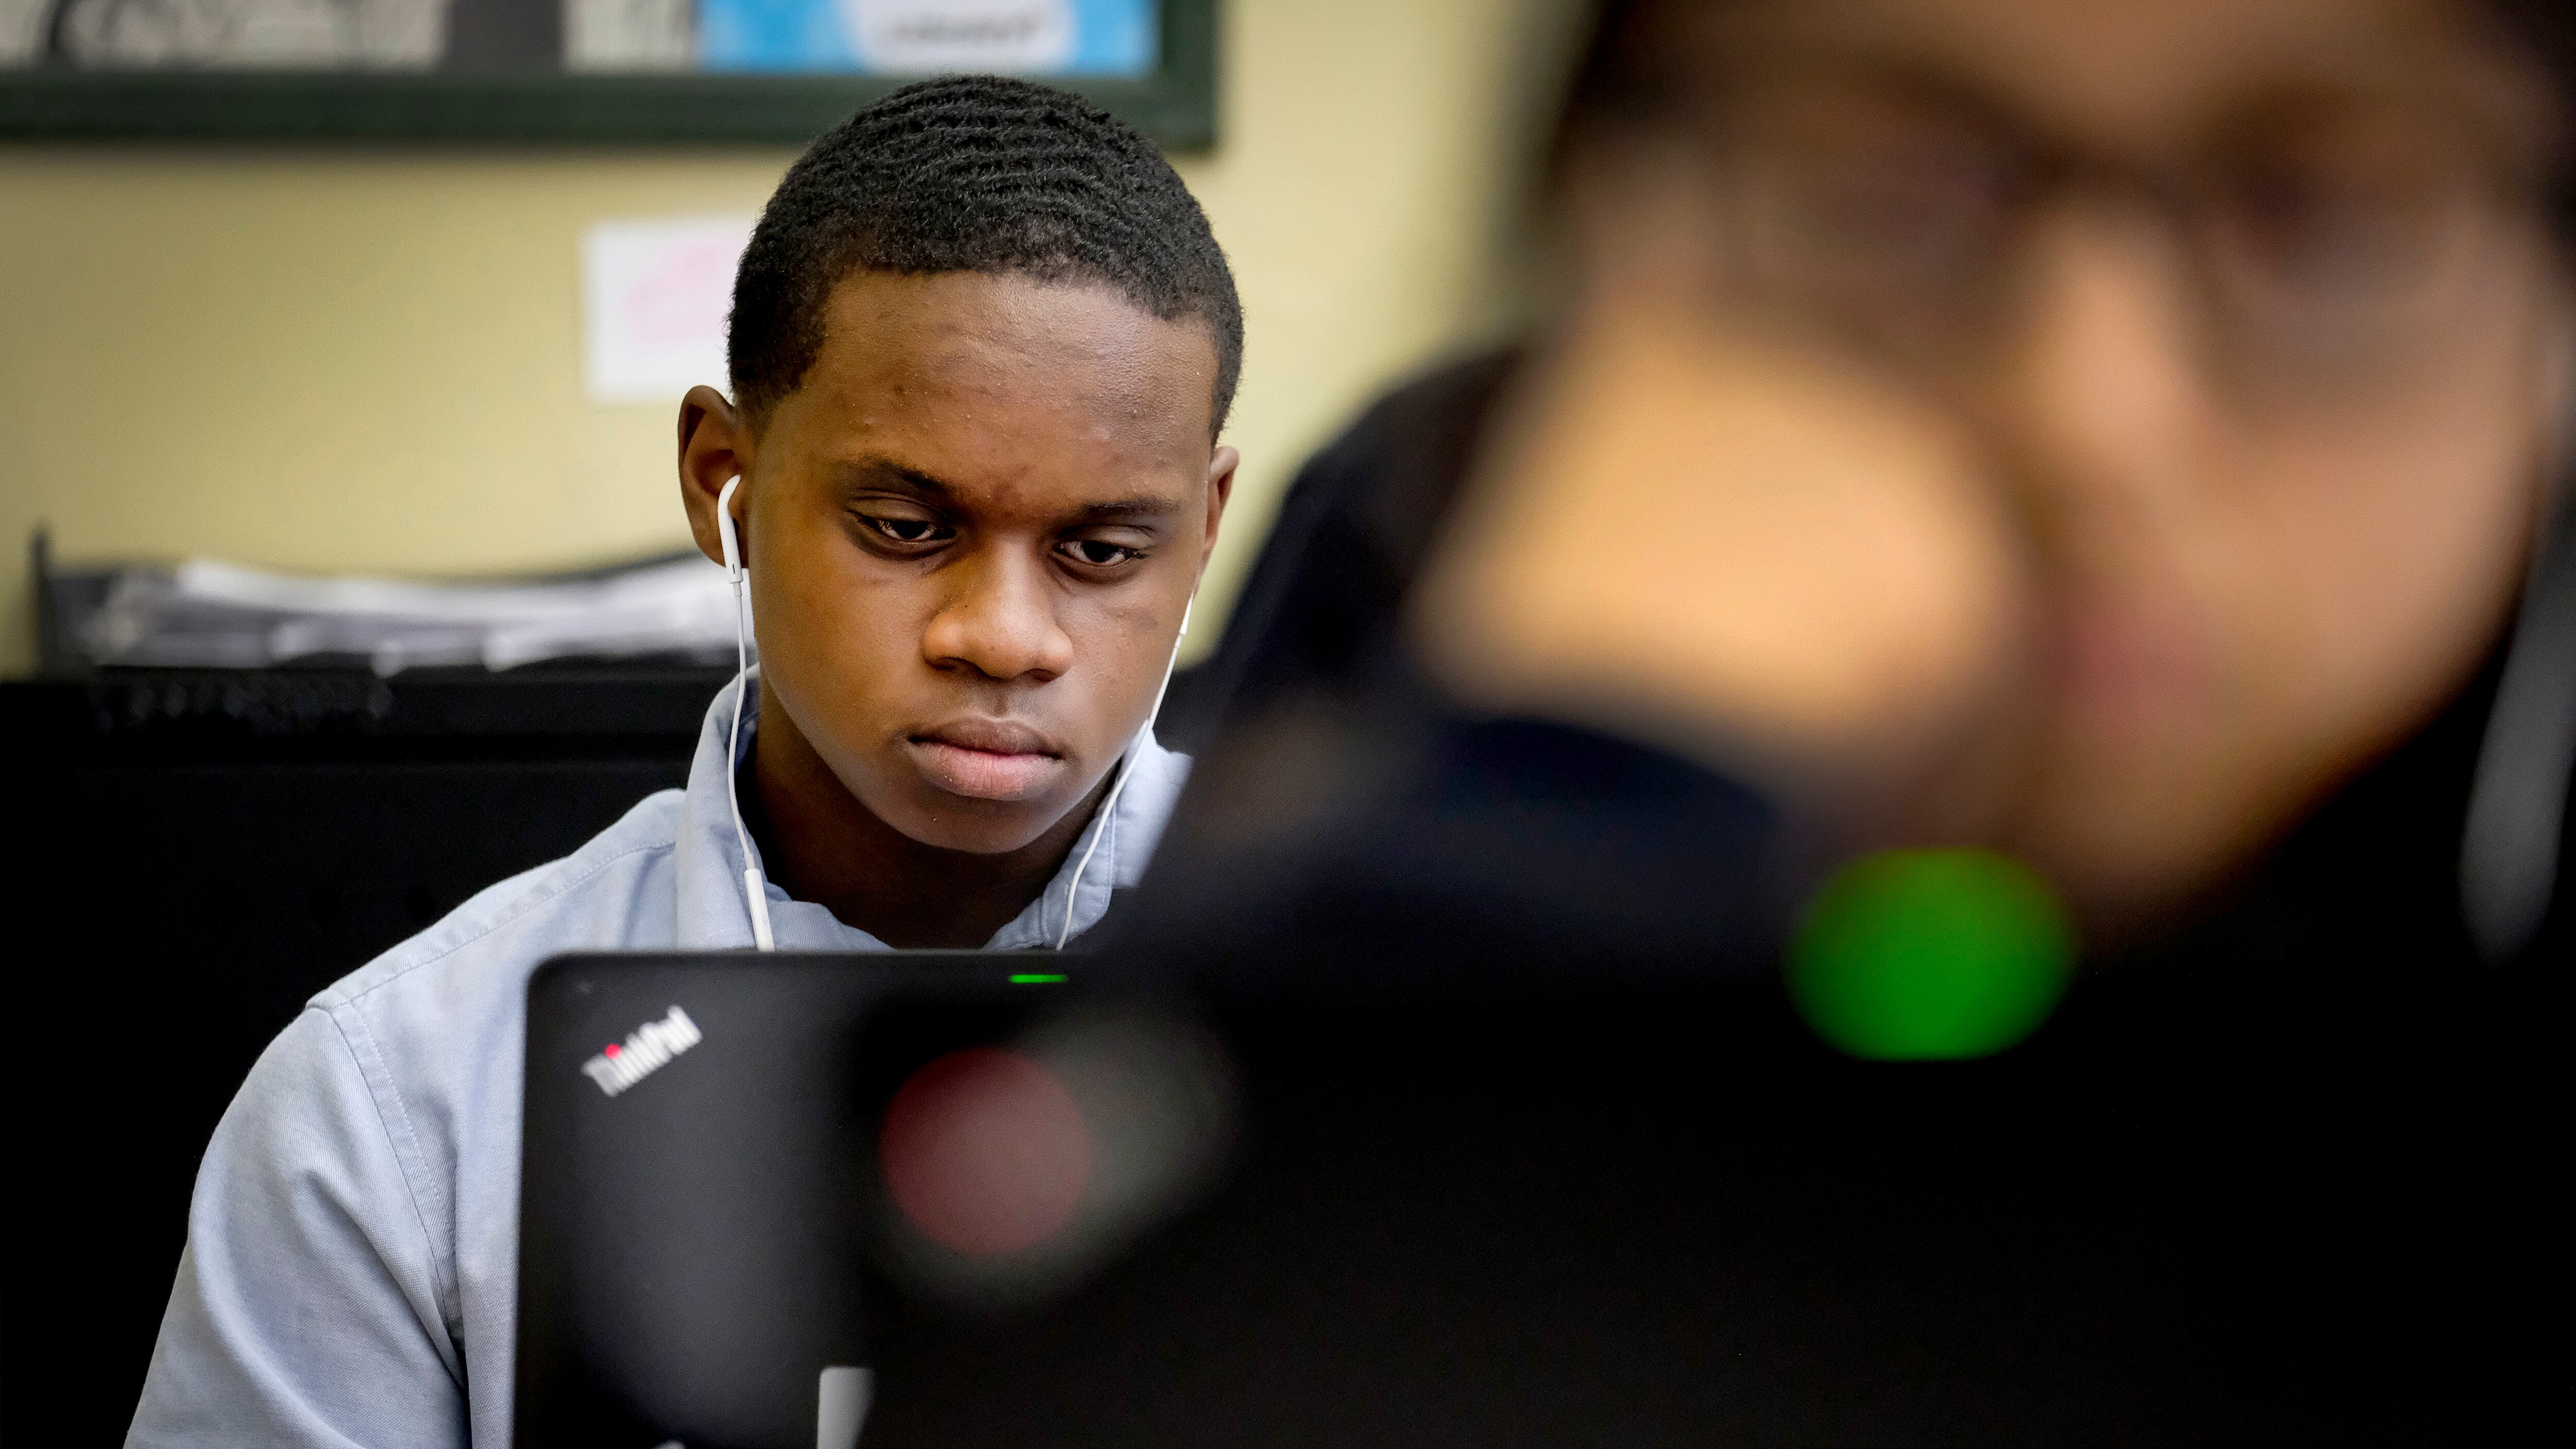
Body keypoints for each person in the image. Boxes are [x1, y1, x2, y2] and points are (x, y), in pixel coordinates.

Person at [124, 75, 1241, 1447]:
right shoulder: (390, 1101)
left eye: (1104, 550)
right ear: (725, 480)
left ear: (1207, 522)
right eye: (902, 525)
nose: (1003, 637)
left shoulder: (1406, 1003)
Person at [1155, 0, 2572, 980]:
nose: (2084, 415)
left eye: (2328, 212)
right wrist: (1564, 802)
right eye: (1886, 188)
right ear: (1596, 213)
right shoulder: (1282, 697)